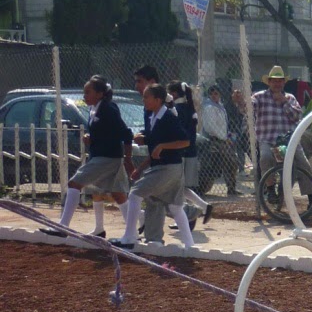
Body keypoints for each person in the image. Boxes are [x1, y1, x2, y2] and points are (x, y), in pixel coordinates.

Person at [42, 75, 132, 239]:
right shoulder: (95, 108)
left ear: (100, 94)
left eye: (88, 92)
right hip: (103, 155)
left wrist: (128, 158)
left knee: (74, 183)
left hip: (107, 157)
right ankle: (125, 230)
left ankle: (63, 227)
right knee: (116, 194)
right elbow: (105, 132)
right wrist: (91, 138)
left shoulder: (108, 108)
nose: (84, 96)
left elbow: (125, 133)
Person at [111, 83, 193, 250]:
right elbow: (155, 140)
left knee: (135, 193)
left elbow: (185, 141)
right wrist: (144, 139)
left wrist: (162, 146)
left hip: (168, 168)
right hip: (166, 168)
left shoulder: (168, 117)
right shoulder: (151, 117)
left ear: (158, 100)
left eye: (147, 97)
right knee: (174, 206)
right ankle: (189, 245)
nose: (144, 100)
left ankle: (130, 237)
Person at [251, 65, 312, 198]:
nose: (277, 84)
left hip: (287, 141)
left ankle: (311, 198)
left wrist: (284, 102)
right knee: (265, 158)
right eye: (274, 81)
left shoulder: (290, 98)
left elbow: (297, 116)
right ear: (269, 82)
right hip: (268, 140)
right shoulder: (259, 96)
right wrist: (240, 101)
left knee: (303, 163)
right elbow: (248, 108)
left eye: (280, 81)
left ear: (284, 83)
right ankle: (270, 189)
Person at [168, 81, 214, 225]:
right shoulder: (189, 108)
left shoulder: (177, 109)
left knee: (176, 187)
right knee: (181, 187)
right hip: (190, 152)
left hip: (180, 153)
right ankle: (203, 207)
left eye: (169, 92)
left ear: (174, 93)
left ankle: (190, 213)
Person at [199, 85, 241, 196]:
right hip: (213, 139)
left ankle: (231, 188)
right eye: (212, 94)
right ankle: (202, 188)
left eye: (216, 94)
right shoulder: (209, 107)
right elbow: (211, 127)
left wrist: (227, 137)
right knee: (226, 163)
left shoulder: (220, 107)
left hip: (222, 139)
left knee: (230, 163)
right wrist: (224, 138)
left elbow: (222, 125)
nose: (214, 96)